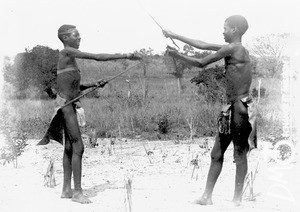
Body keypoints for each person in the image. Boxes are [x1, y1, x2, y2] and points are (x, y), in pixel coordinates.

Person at [37, 24, 140, 204]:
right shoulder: (66, 52)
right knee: (79, 147)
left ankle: (66, 190)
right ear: (65, 38)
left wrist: (93, 84)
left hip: (68, 104)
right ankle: (77, 193)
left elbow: (73, 86)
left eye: (79, 35)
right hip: (66, 106)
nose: (79, 38)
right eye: (76, 35)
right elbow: (96, 57)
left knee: (69, 148)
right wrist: (126, 55)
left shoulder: (69, 60)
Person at [163, 15, 256, 206]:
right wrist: (174, 35)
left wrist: (176, 55)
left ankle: (237, 199)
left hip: (240, 107)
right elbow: (202, 44)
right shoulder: (234, 48)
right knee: (216, 153)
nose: (222, 31)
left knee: (239, 152)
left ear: (234, 30)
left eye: (225, 28)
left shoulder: (233, 48)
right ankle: (207, 196)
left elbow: (200, 63)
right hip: (231, 107)